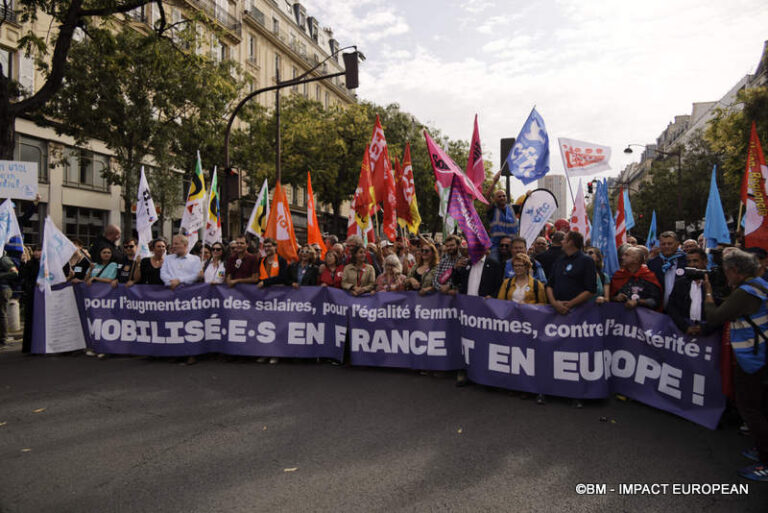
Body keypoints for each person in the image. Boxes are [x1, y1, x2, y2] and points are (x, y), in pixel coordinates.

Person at [702, 249, 768, 481]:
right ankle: (761, 447)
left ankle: (765, 461)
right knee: (758, 406)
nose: (725, 275)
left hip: (752, 356)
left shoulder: (746, 292)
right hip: (758, 352)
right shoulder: (760, 283)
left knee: (750, 408)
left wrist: (708, 293)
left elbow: (715, 316)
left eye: (727, 271)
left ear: (736, 271)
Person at [546, 231, 596, 315]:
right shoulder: (559, 260)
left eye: (564, 239)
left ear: (571, 242)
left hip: (578, 313)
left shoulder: (587, 261)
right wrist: (554, 304)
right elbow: (549, 285)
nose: (561, 242)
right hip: (556, 312)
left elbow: (590, 290)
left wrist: (569, 305)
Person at [667, 248, 714, 335]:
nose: (692, 265)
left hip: (709, 335)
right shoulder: (680, 283)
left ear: (705, 262)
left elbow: (720, 313)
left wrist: (703, 328)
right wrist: (685, 327)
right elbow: (672, 307)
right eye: (689, 262)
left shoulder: (714, 284)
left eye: (695, 261)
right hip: (684, 334)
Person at [609, 246, 662, 310]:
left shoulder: (649, 277)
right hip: (620, 315)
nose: (622, 257)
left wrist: (638, 301)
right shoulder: (619, 275)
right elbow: (609, 297)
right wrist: (616, 298)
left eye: (626, 255)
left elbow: (655, 301)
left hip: (643, 317)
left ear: (636, 260)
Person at [647, 231, 687, 308]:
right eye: (663, 244)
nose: (666, 246)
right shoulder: (652, 263)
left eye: (670, 244)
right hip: (659, 308)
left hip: (681, 308)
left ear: (677, 244)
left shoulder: (687, 261)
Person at [484, 175, 519, 260]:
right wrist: (494, 182)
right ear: (495, 199)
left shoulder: (513, 208)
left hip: (512, 245)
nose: (502, 198)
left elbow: (526, 206)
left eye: (504, 196)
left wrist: (528, 194)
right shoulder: (492, 210)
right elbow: (486, 197)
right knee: (493, 262)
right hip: (497, 245)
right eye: (499, 196)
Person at [20, 245, 41, 353]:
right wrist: (23, 263)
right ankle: (29, 346)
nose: (37, 253)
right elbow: (22, 276)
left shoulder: (46, 264)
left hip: (42, 295)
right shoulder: (30, 263)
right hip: (32, 294)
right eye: (36, 250)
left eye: (39, 250)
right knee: (30, 319)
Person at [0, 251, 19, 347]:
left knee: (1, 313)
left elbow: (15, 273)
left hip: (3, 289)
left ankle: (3, 339)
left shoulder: (4, 259)